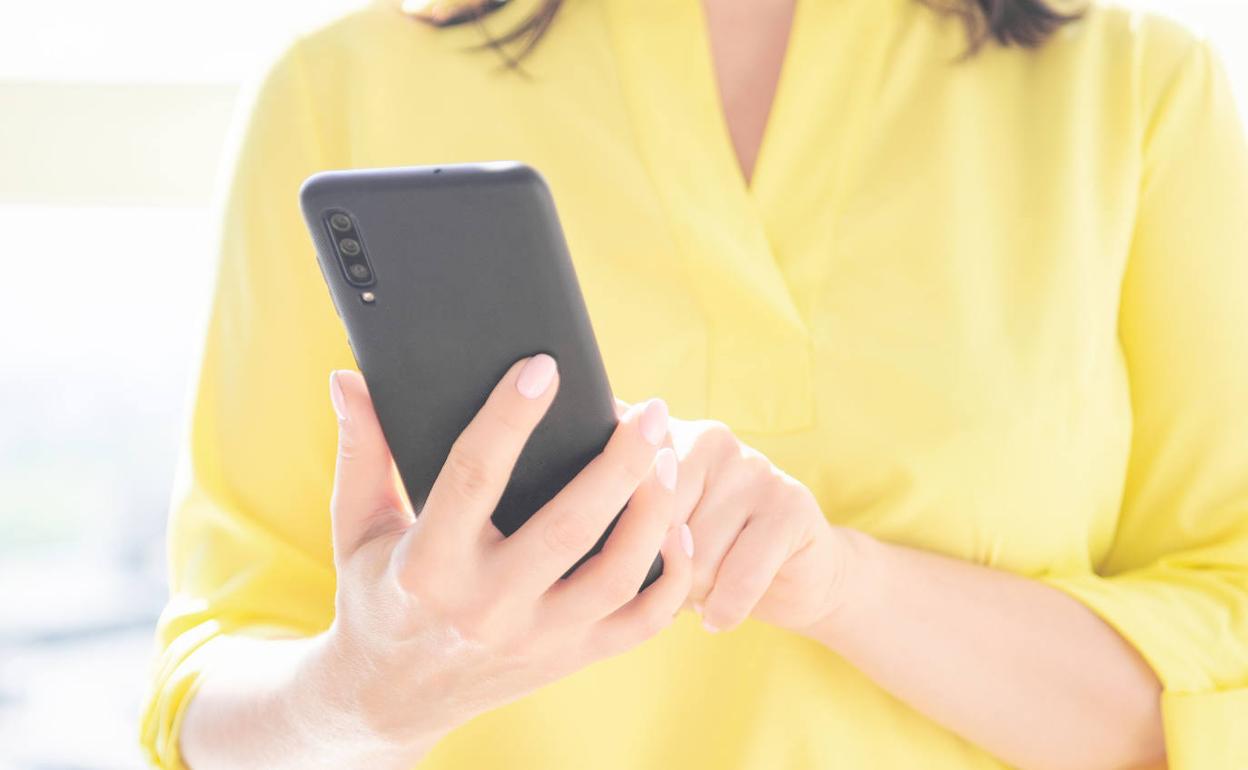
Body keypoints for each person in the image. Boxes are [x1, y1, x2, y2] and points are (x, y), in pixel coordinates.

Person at [140, 0, 1248, 767]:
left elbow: (1221, 663)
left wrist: (844, 584)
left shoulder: (1140, 88)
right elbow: (207, 698)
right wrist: (368, 691)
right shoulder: (343, 86)